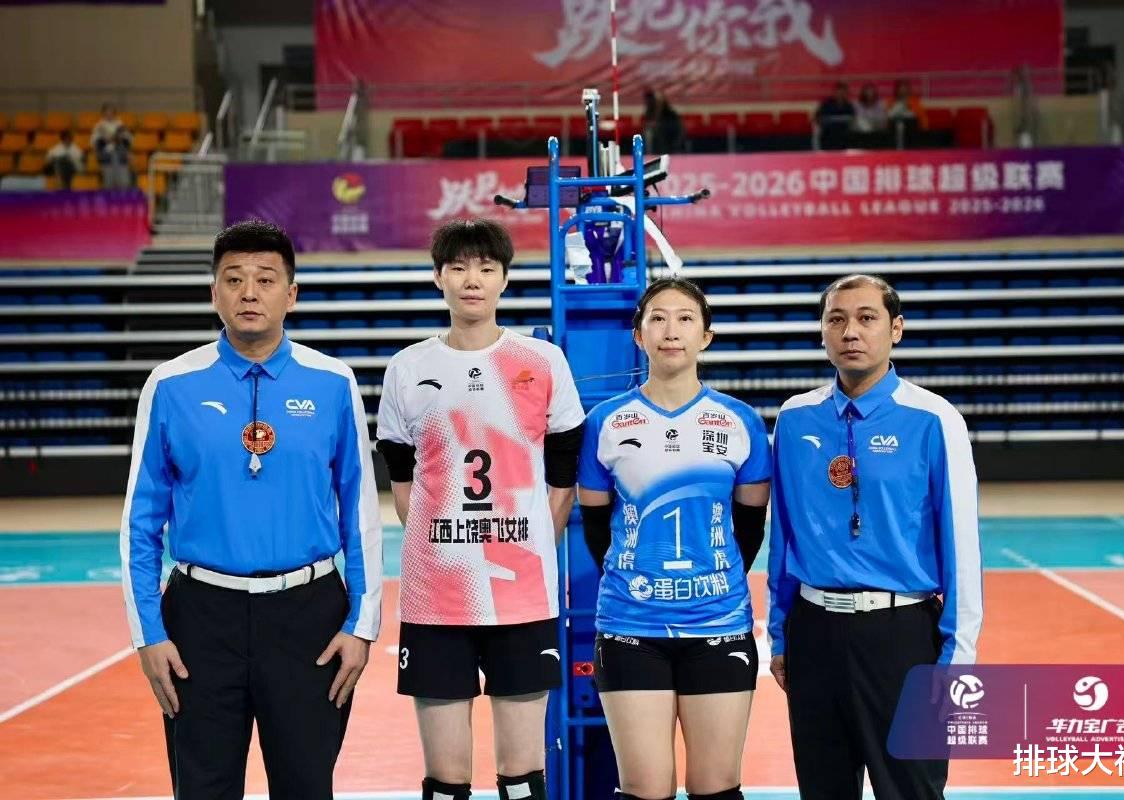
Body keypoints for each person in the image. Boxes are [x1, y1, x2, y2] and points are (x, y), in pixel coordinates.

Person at [119, 219, 384, 799]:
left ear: (292, 294)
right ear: (213, 292)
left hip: (310, 619)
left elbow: (360, 513)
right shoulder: (170, 384)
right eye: (233, 279)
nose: (249, 293)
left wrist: (361, 627)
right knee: (203, 789)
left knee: (306, 786)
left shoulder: (333, 382)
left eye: (266, 279)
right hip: (199, 619)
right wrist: (148, 634)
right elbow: (140, 522)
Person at [375, 218, 585, 800]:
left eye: (486, 268)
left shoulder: (542, 360)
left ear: (504, 279)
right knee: (446, 782)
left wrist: (533, 538)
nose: (473, 280)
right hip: (436, 597)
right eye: (459, 268)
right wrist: (444, 543)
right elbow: (402, 480)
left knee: (522, 779)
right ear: (438, 277)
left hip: (523, 595)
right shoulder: (408, 368)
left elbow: (564, 470)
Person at [767, 274, 983, 800]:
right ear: (822, 331)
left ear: (896, 329)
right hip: (814, 633)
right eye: (836, 319)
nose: (851, 332)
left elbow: (961, 546)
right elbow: (784, 537)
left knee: (911, 790)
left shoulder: (934, 419)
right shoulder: (794, 419)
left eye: (867, 318)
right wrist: (780, 634)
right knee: (822, 790)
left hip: (903, 637)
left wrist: (957, 658)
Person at [577, 277, 771, 800]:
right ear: (638, 334)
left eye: (686, 319)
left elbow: (749, 528)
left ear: (705, 336)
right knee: (645, 789)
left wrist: (712, 579)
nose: (671, 331)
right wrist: (639, 577)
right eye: (658, 318)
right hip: (630, 626)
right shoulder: (605, 422)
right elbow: (596, 526)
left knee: (717, 787)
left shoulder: (740, 422)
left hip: (719, 625)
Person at [92, 103, 132, 189]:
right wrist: (106, 139)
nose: (109, 114)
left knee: (124, 182)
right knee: (108, 183)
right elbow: (95, 142)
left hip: (120, 155)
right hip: (107, 157)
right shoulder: (99, 126)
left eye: (111, 112)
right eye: (107, 112)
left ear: (114, 113)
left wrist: (116, 138)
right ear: (103, 113)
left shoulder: (120, 124)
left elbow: (128, 139)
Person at [815, 81, 855, 147]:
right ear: (834, 92)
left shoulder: (848, 105)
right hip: (829, 135)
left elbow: (852, 119)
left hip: (844, 136)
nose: (840, 94)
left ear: (846, 93)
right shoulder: (826, 104)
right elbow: (818, 118)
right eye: (839, 92)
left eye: (843, 92)